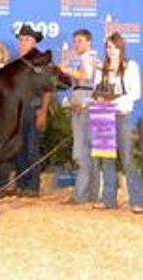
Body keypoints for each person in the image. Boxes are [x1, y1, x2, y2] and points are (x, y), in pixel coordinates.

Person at [0, 24, 52, 198]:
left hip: (33, 108)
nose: (23, 42)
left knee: (32, 149)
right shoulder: (15, 63)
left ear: (34, 42)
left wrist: (43, 111)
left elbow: (48, 89)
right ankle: (21, 184)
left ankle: (32, 186)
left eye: (27, 39)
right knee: (18, 148)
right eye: (21, 39)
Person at [92, 32, 143, 213]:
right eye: (108, 47)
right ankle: (109, 199)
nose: (110, 51)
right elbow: (96, 89)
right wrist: (98, 98)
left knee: (128, 157)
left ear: (121, 48)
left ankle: (137, 200)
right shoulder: (101, 68)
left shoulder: (130, 66)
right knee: (106, 158)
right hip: (104, 116)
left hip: (122, 114)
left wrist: (113, 102)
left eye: (114, 47)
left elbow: (136, 92)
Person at [60, 29, 99, 204]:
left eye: (80, 41)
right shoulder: (91, 58)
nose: (77, 44)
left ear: (89, 43)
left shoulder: (87, 58)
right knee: (87, 151)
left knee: (81, 152)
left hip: (84, 106)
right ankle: (91, 193)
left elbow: (86, 76)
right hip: (84, 104)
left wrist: (66, 69)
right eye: (75, 41)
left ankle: (81, 195)